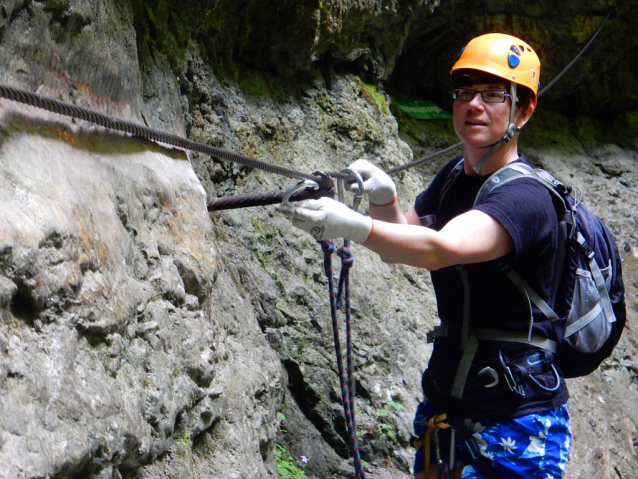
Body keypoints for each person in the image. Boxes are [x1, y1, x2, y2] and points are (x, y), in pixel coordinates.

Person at [276, 33, 571, 479]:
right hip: (450, 406)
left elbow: (441, 250)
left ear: (523, 110)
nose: (474, 104)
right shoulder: (453, 178)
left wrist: (352, 225)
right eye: (465, 91)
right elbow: (404, 242)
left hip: (515, 421)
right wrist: (383, 199)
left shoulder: (527, 198)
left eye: (493, 95)